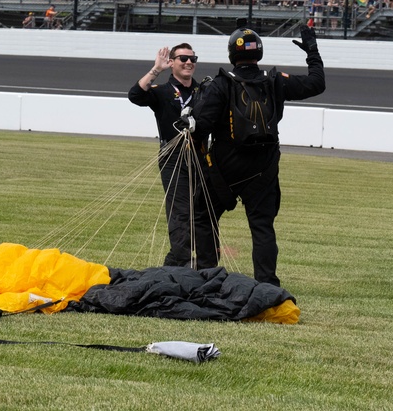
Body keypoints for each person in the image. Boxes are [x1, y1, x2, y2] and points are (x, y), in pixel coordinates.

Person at [186, 25, 325, 286]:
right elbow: (317, 83)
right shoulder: (275, 81)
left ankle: (207, 276)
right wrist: (312, 51)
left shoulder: (219, 85)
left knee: (204, 217)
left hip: (224, 168)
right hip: (264, 168)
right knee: (262, 226)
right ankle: (267, 285)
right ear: (258, 53)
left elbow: (201, 126)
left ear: (231, 54)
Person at [128, 43, 218, 269]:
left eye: (193, 58)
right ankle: (182, 263)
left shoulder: (204, 91)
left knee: (203, 210)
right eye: (183, 59)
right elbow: (135, 95)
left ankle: (195, 263)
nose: (189, 62)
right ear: (172, 63)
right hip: (173, 157)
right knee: (180, 211)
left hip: (201, 156)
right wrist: (156, 69)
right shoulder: (162, 91)